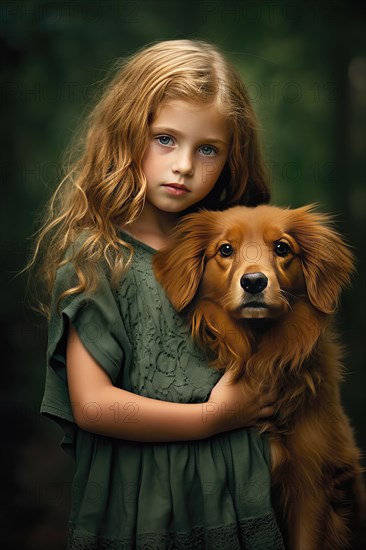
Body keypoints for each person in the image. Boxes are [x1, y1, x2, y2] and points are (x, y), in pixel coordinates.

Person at [31, 39, 285, 549]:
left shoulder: (233, 248)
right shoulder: (99, 258)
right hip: (142, 503)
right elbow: (94, 406)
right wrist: (214, 418)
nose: (185, 165)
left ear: (232, 155)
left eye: (207, 148)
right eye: (165, 139)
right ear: (127, 133)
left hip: (237, 494)